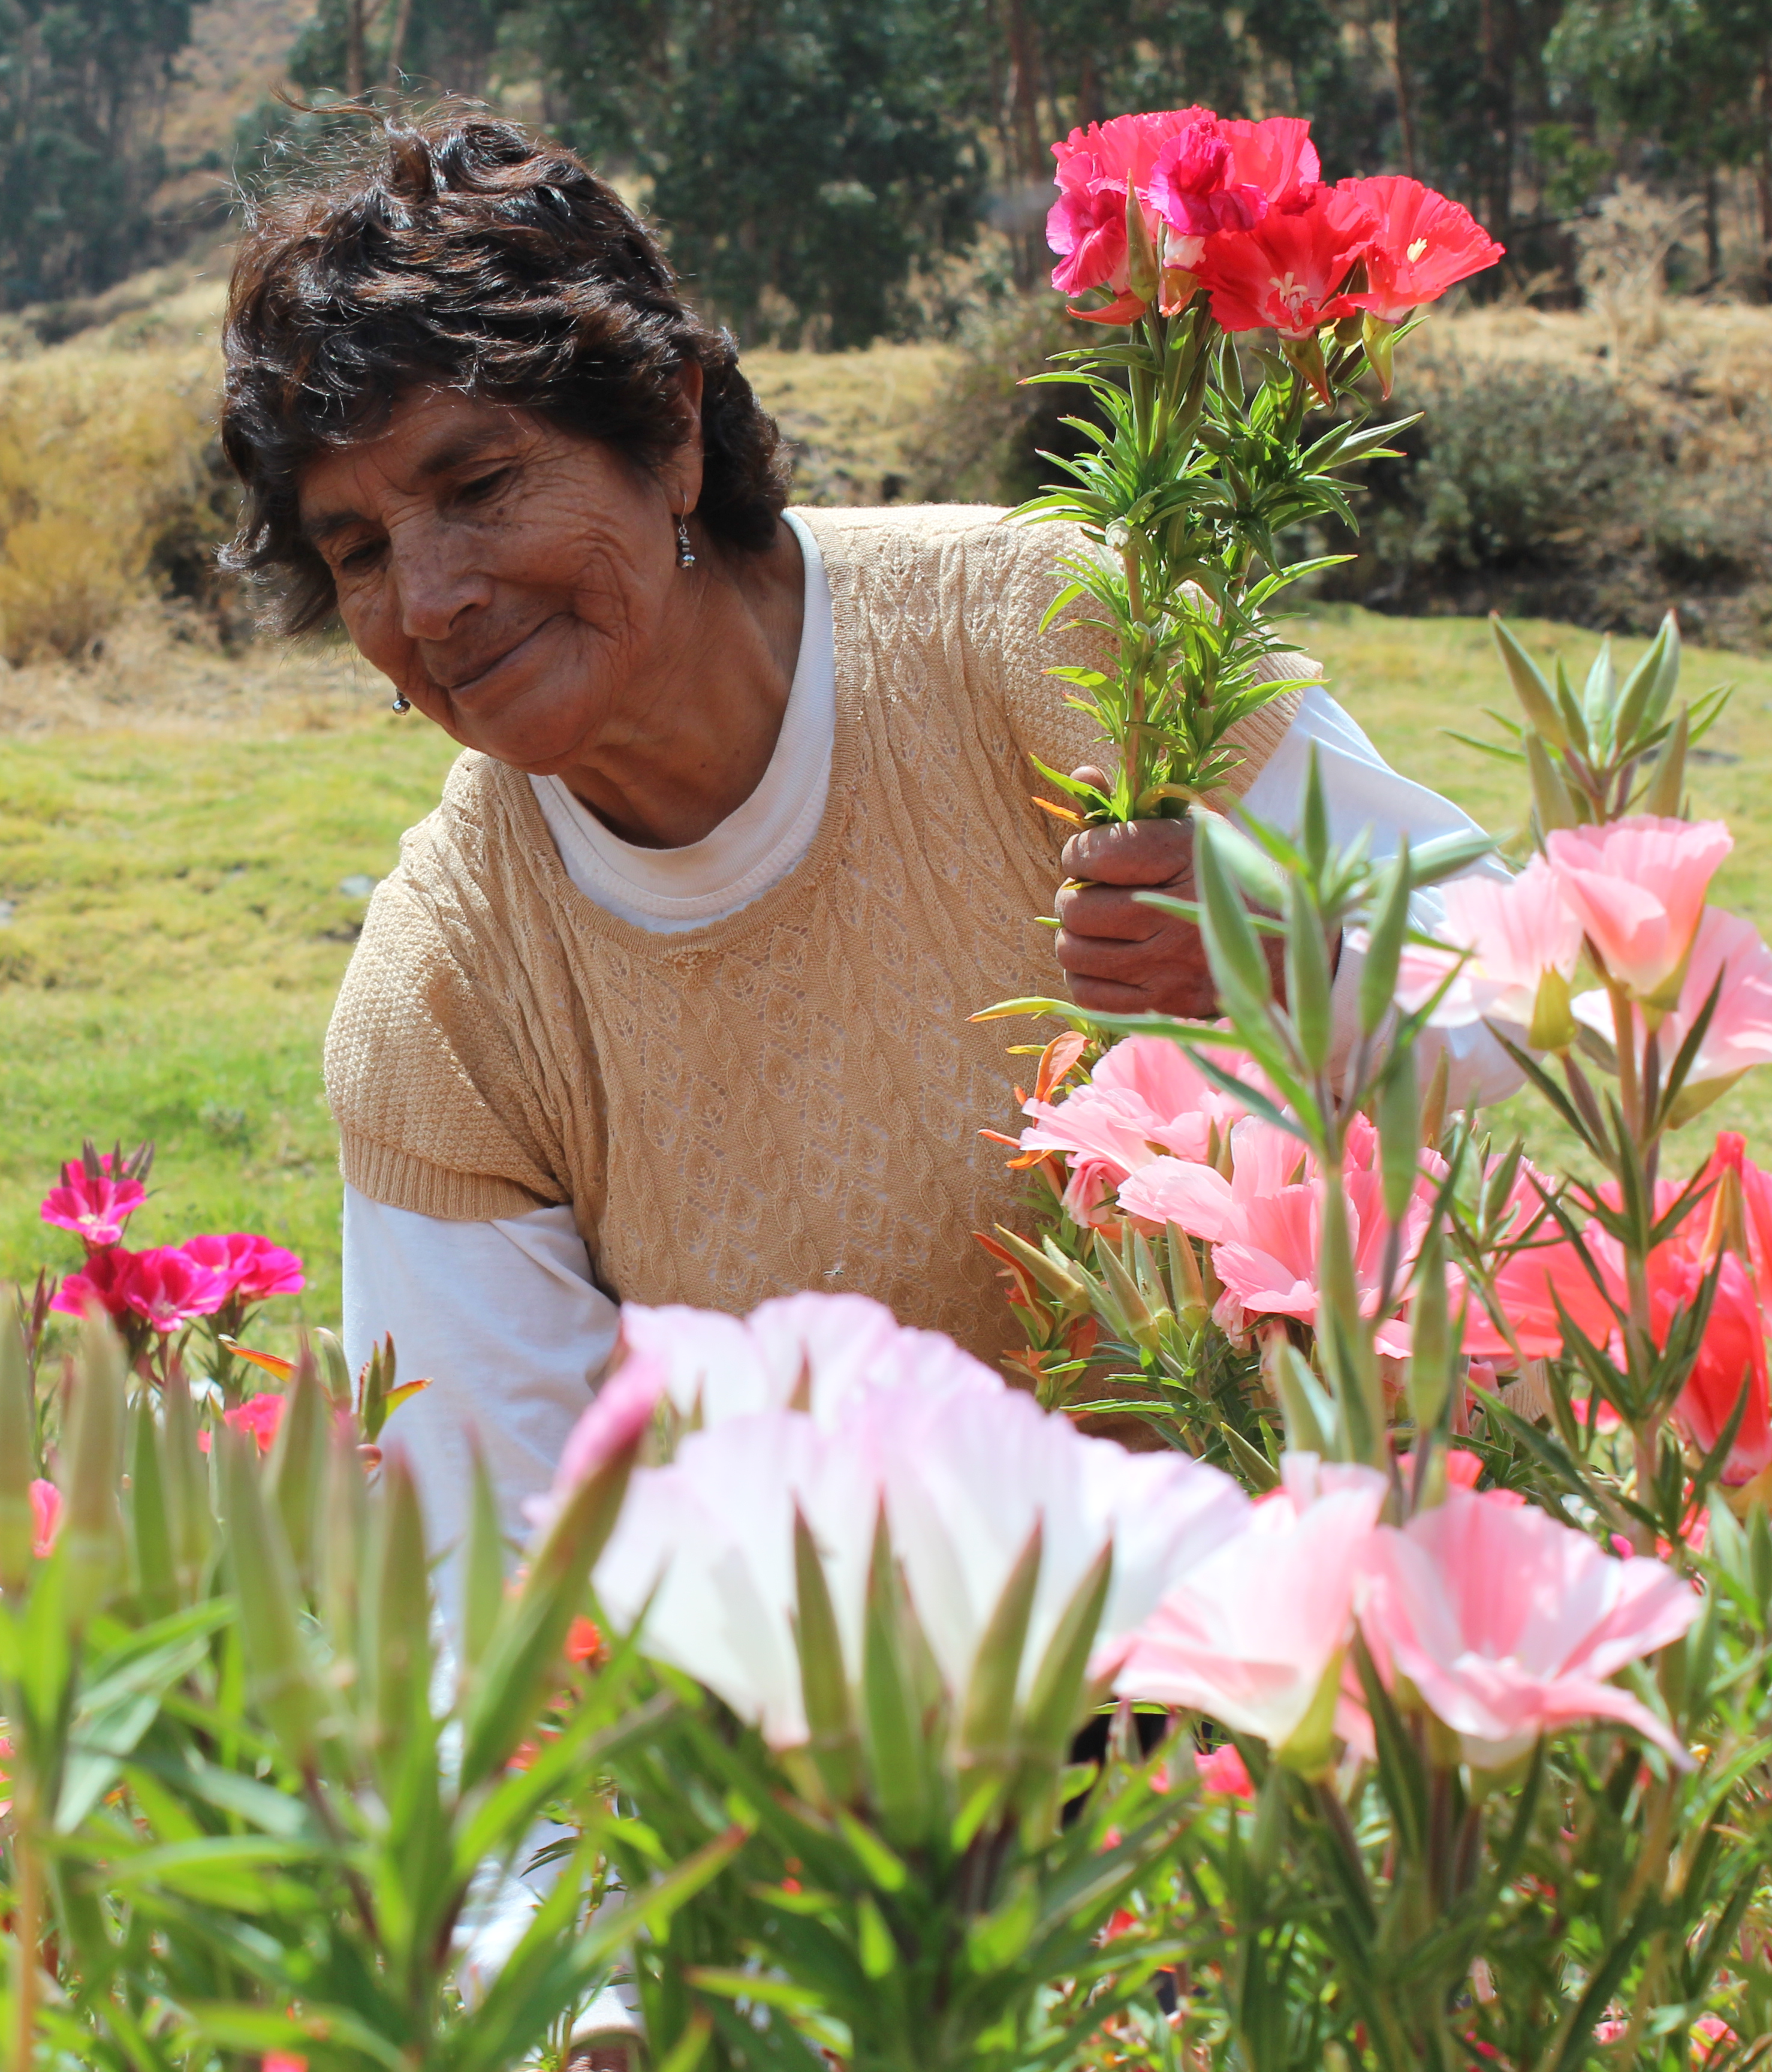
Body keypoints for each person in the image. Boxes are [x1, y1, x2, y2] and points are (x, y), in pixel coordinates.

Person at [216, 107, 1492, 2070]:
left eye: (478, 483)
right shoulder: (449, 996)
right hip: (859, 1841)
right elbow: (507, 1591)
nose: (435, 596)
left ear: (672, 432)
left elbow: (1537, 993)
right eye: (361, 549)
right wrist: (592, 1994)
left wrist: (1288, 962)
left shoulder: (1037, 639)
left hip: (1305, 1702)